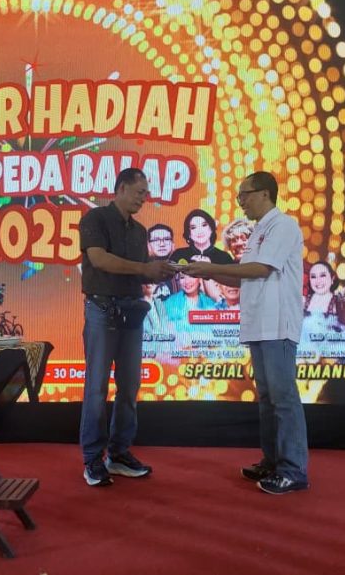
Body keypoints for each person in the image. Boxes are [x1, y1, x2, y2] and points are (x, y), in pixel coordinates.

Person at [185, 171, 308, 495]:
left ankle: (293, 469)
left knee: (283, 398)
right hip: (258, 324)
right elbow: (242, 277)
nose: (241, 201)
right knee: (267, 399)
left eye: (245, 194)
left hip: (278, 323)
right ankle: (272, 461)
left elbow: (261, 269)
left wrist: (210, 267)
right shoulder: (257, 232)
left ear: (265, 193)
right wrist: (202, 271)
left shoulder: (283, 225)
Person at [79, 168, 176, 487]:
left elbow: (137, 273)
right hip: (101, 309)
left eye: (145, 194)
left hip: (131, 311)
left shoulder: (139, 231)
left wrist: (161, 271)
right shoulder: (95, 219)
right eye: (139, 192)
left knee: (130, 386)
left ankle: (119, 453)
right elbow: (99, 260)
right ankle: (93, 459)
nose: (143, 198)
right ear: (121, 188)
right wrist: (144, 268)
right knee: (96, 388)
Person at [171, 209, 234, 301]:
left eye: (204, 225)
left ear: (211, 229)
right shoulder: (178, 254)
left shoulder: (224, 257)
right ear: (189, 234)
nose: (199, 231)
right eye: (193, 227)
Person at [304, 261, 345, 332]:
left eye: (323, 275)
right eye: (313, 277)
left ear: (332, 278)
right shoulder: (303, 302)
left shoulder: (343, 306)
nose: (318, 281)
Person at [147, 223, 178, 299]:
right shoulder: (140, 272)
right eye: (156, 240)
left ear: (173, 245)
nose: (162, 244)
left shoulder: (181, 272)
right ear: (148, 245)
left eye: (167, 239)